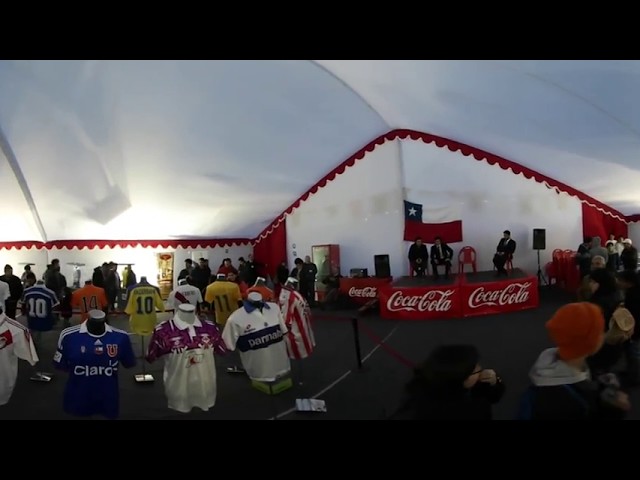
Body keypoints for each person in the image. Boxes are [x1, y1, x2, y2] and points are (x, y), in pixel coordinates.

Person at [519, 302, 630, 420]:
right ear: (590, 342)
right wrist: (616, 411)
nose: (603, 335)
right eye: (601, 331)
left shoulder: (549, 366)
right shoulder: (572, 402)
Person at [390, 345, 505, 420]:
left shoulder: (418, 389)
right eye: (476, 370)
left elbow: (491, 395)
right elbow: (488, 400)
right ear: (463, 378)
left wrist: (494, 383)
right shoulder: (473, 409)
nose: (481, 371)